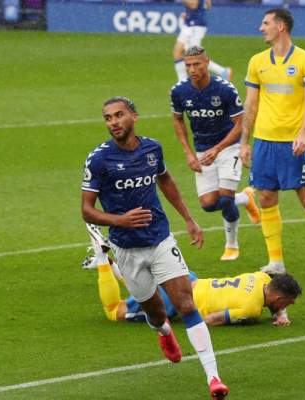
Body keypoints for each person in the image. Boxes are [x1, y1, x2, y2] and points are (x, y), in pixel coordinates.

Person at [81, 97, 228, 398]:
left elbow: (166, 180)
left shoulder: (152, 149)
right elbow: (86, 210)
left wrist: (189, 219)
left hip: (160, 240)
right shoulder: (98, 160)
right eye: (108, 117)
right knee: (156, 313)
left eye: (119, 115)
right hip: (126, 249)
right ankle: (164, 333)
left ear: (134, 116)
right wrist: (120, 220)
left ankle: (213, 377)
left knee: (186, 305)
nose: (113, 122)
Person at [240, 8, 305, 278]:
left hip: (292, 142)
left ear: (281, 26)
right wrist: (244, 141)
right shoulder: (257, 61)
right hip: (264, 141)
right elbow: (251, 103)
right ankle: (276, 262)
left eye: (266, 23)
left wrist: (304, 132)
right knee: (266, 197)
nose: (261, 27)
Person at [82, 225, 301, 327]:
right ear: (279, 298)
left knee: (142, 285)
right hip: (179, 299)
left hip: (188, 279)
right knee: (114, 311)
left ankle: (109, 264)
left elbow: (274, 289)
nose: (286, 307)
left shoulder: (261, 277)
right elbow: (209, 320)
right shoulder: (252, 310)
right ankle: (102, 257)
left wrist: (279, 313)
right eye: (287, 304)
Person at [170, 46, 261, 261]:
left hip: (228, 147)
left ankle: (231, 245)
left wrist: (218, 149)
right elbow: (177, 119)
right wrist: (189, 153)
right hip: (203, 150)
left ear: (207, 63)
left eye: (197, 64)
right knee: (209, 204)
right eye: (188, 65)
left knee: (225, 197)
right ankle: (246, 198)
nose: (192, 69)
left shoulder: (225, 89)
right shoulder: (179, 91)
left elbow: (240, 124)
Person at [173, 0, 231, 82]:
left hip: (195, 26)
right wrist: (191, 14)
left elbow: (194, 5)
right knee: (178, 52)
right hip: (192, 23)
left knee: (193, 56)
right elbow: (208, 5)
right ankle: (182, 82)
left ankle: (222, 71)